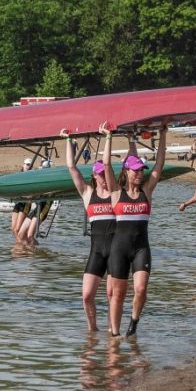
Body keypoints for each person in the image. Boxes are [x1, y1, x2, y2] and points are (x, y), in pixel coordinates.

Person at [101, 123, 168, 338]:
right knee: (118, 295)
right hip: (119, 249)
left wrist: (163, 136)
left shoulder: (147, 191)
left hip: (141, 248)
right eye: (137, 170)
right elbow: (106, 164)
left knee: (140, 289)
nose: (141, 173)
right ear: (127, 172)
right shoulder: (115, 193)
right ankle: (114, 335)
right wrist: (109, 137)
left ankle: (134, 321)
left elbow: (159, 165)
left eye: (142, 171)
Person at [59, 127, 119, 331]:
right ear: (94, 176)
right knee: (86, 296)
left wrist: (108, 137)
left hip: (115, 251)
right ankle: (92, 332)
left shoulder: (116, 194)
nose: (103, 177)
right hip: (96, 251)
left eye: (105, 173)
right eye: (100, 174)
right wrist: (69, 140)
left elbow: (109, 164)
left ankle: (112, 330)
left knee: (112, 295)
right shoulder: (87, 193)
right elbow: (71, 167)